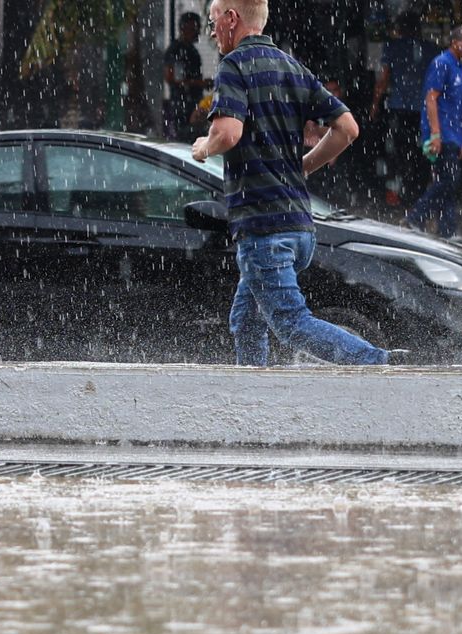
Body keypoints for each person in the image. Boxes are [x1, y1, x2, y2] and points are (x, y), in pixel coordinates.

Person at [191, 0, 402, 367]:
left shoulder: (234, 66)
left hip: (264, 227)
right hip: (300, 227)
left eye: (213, 23)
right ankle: (252, 391)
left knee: (290, 324)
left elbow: (228, 133)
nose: (211, 32)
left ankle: (377, 362)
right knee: (246, 318)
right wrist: (303, 166)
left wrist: (203, 147)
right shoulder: (291, 66)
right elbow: (348, 128)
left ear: (231, 18)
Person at [404, 26, 462, 240]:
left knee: (449, 181)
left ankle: (447, 230)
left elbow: (458, 107)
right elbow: (431, 98)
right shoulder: (442, 64)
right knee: (448, 180)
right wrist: (435, 134)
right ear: (456, 43)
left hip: (454, 133)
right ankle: (416, 216)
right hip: (442, 132)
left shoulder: (460, 68)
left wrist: (461, 139)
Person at [369, 12, 431, 202]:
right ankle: (418, 191)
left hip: (399, 107)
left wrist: (374, 104)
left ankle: (399, 192)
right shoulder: (430, 49)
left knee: (399, 152)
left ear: (400, 29)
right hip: (424, 109)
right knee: (422, 153)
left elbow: (384, 79)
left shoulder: (392, 48)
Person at [163, 12, 210, 141]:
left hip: (193, 102)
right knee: (185, 138)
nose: (198, 33)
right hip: (182, 105)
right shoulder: (176, 50)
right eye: (195, 29)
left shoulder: (192, 51)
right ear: (185, 28)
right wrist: (198, 83)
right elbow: (171, 77)